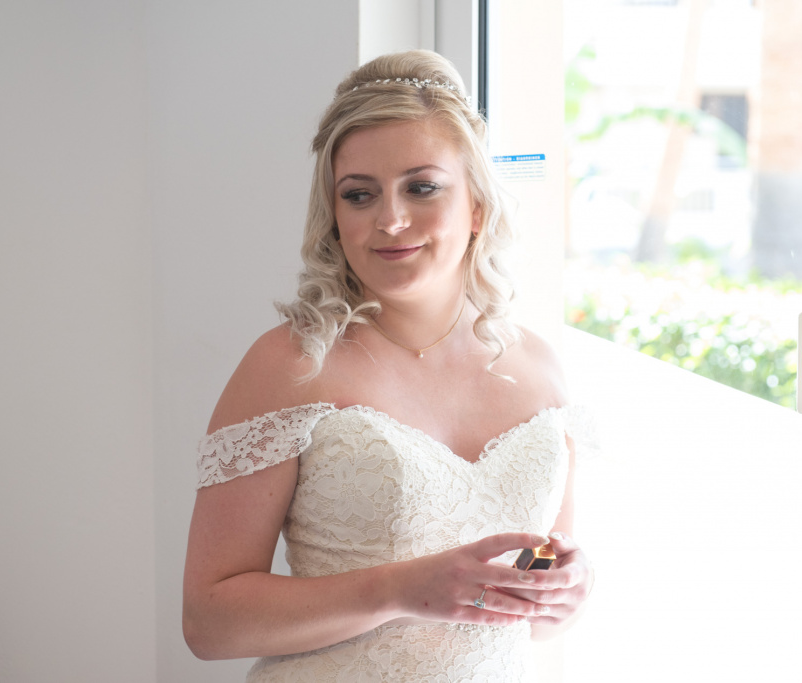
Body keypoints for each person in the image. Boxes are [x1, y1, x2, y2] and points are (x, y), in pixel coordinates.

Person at [183, 49, 594, 682]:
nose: (391, 220)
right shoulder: (291, 363)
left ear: (477, 206)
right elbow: (209, 624)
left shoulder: (541, 368)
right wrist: (398, 590)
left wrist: (566, 593)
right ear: (335, 215)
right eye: (359, 194)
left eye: (421, 187)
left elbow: (536, 615)